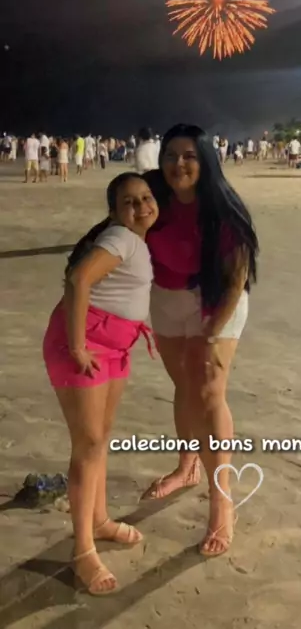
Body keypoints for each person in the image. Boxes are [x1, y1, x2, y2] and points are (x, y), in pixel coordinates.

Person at [141, 124, 259, 558]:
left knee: (208, 394)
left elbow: (236, 278)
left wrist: (211, 332)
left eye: (189, 155)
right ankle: (186, 467)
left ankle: (221, 499)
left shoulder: (223, 209)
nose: (179, 164)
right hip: (166, 299)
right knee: (184, 387)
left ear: (205, 160)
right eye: (171, 155)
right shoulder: (152, 198)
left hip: (217, 301)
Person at [42, 173, 159, 595]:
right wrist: (77, 347)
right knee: (88, 445)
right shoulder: (121, 238)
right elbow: (79, 280)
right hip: (84, 346)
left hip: (113, 347)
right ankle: (82, 551)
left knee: (99, 440)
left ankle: (100, 519)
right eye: (129, 201)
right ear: (113, 212)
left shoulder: (134, 240)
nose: (141, 206)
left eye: (146, 197)